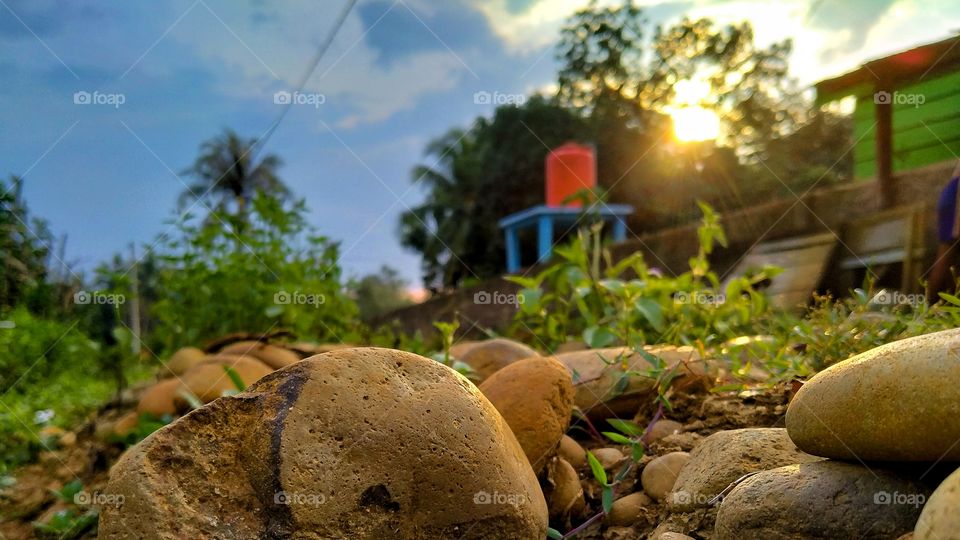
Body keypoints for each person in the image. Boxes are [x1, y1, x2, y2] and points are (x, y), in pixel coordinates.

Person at [926, 160, 960, 300]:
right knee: (946, 255)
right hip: (956, 200)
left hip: (952, 196)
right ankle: (928, 305)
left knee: (948, 256)